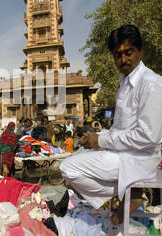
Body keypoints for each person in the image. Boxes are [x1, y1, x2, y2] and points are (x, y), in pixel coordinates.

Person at [60, 24, 162, 223]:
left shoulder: (151, 83)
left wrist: (103, 141)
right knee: (79, 154)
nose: (123, 60)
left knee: (68, 168)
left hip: (138, 158)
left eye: (128, 53)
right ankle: (128, 193)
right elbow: (120, 128)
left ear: (140, 51)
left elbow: (149, 136)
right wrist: (96, 138)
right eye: (117, 55)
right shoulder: (124, 83)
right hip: (122, 152)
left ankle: (128, 193)